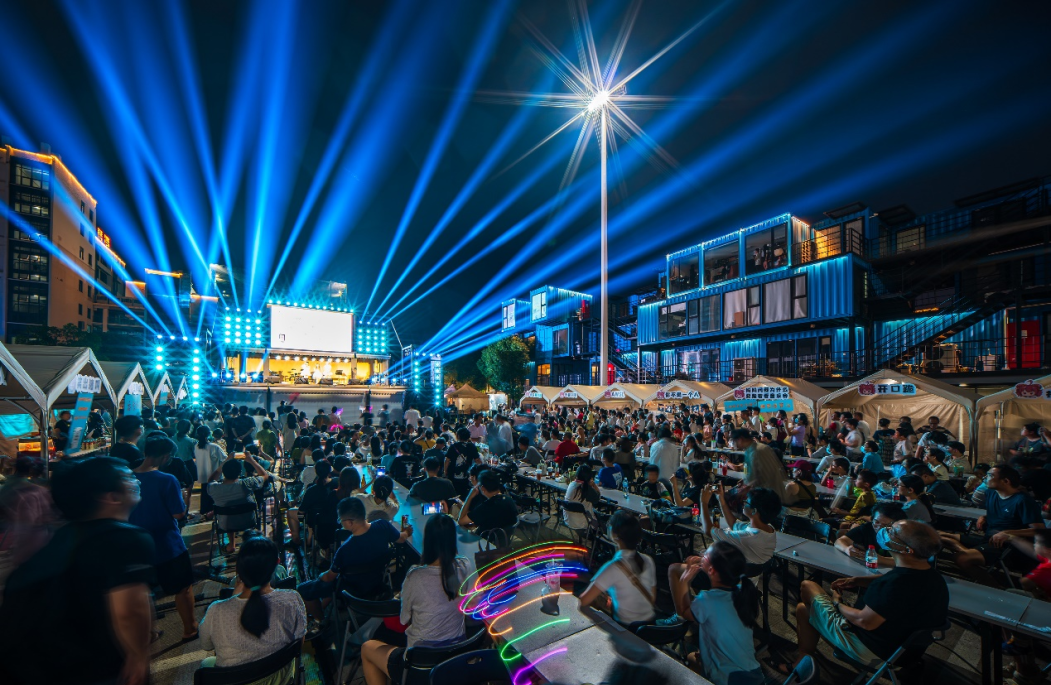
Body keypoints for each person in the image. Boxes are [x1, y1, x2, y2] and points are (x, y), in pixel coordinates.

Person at [0, 458, 155, 685]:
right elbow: (130, 611)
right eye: (127, 477)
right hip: (84, 670)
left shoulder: (64, 538)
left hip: (26, 667)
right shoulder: (123, 537)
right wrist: (138, 656)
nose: (136, 480)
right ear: (109, 496)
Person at [787, 520, 949, 675]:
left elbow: (865, 621)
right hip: (906, 653)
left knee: (808, 586)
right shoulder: (934, 578)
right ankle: (801, 662)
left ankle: (800, 664)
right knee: (804, 610)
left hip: (870, 649)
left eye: (892, 532)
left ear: (907, 549)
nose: (885, 531)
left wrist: (837, 603)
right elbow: (900, 583)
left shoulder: (894, 583)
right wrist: (858, 580)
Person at [361, 514, 470, 685]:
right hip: (454, 660)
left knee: (367, 648)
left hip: (420, 666)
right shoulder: (464, 566)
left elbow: (404, 619)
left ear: (428, 541)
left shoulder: (415, 576)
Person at [198, 536, 306, 681]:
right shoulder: (292, 599)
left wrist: (233, 598)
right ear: (277, 564)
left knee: (206, 663)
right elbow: (299, 643)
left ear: (238, 569)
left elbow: (206, 645)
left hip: (234, 680)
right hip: (281, 679)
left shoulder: (216, 610)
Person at [129, 435, 198, 640]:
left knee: (143, 591)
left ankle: (149, 631)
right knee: (183, 588)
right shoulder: (167, 480)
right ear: (166, 457)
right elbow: (178, 514)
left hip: (135, 545)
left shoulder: (126, 477)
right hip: (167, 544)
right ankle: (190, 629)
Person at [298, 497, 412, 619]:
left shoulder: (345, 549)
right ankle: (322, 609)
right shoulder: (383, 525)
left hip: (352, 591)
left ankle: (319, 621)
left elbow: (329, 577)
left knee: (303, 589)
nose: (340, 523)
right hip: (376, 582)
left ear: (349, 522)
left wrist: (320, 576)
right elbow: (401, 538)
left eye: (341, 520)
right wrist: (406, 532)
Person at [667, 542, 764, 685]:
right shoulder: (743, 591)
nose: (701, 555)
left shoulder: (707, 600)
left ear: (711, 571)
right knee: (694, 658)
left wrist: (685, 581)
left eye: (705, 555)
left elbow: (683, 611)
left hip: (729, 680)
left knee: (689, 660)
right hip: (754, 674)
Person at [940, 464, 1045, 587]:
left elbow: (1039, 530)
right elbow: (999, 513)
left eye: (990, 475)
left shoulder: (1022, 501)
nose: (985, 477)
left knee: (962, 558)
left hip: (1007, 547)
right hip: (988, 539)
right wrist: (985, 517)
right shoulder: (991, 493)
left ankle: (996, 588)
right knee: (939, 536)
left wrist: (1009, 533)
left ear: (1006, 481)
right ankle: (970, 552)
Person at [579, 510, 657, 626]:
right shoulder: (648, 560)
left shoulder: (613, 568)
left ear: (615, 536)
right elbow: (652, 598)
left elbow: (584, 600)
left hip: (627, 628)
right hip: (650, 625)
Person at [208, 454, 273, 554]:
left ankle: (231, 545)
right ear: (240, 472)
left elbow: (210, 480)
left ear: (223, 472)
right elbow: (264, 476)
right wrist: (251, 460)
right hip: (248, 521)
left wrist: (226, 460)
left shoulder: (214, 488)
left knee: (229, 514)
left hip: (225, 524)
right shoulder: (246, 483)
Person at [698, 484, 779, 565]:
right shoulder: (768, 528)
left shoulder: (748, 536)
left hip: (739, 568)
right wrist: (721, 499)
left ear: (754, 511)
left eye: (746, 502)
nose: (743, 503)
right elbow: (733, 524)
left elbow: (709, 531)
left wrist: (703, 503)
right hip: (755, 566)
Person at [833, 502, 906, 568]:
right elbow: (840, 541)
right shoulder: (867, 528)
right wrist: (846, 549)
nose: (879, 527)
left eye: (886, 525)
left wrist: (881, 559)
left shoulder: (902, 535)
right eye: (876, 522)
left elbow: (909, 562)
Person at [729, 428, 786, 503]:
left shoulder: (759, 450)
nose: (734, 444)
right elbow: (753, 471)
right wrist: (745, 481)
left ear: (740, 439)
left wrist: (747, 487)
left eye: (735, 441)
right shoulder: (750, 450)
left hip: (768, 495)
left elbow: (764, 475)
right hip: (760, 492)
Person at [458, 469, 519, 537]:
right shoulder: (509, 500)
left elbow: (461, 521)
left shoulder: (486, 507)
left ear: (483, 488)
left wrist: (469, 497)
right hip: (503, 540)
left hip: (485, 541)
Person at [563, 465, 602, 531]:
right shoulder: (586, 488)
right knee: (600, 520)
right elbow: (597, 498)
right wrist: (593, 485)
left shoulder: (571, 484)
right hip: (583, 523)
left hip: (568, 520)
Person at [445, 427, 481, 497]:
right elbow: (477, 460)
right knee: (464, 492)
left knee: (454, 492)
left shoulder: (453, 446)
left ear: (458, 436)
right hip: (466, 474)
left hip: (453, 475)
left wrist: (445, 470)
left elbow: (447, 460)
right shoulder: (471, 446)